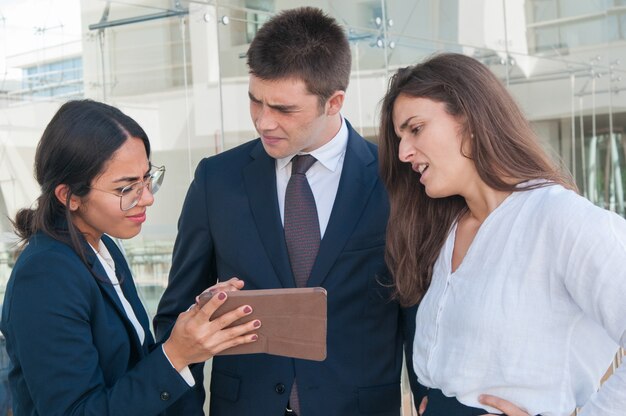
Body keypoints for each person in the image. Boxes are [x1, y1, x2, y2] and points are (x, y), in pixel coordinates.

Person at [154, 6, 421, 416]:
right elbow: (176, 317)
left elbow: (416, 315)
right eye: (255, 101)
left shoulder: (396, 179)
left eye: (283, 109)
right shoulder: (216, 180)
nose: (263, 122)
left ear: (334, 102)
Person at [378, 52, 626, 416]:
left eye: (415, 129)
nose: (403, 152)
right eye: (400, 137)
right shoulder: (445, 231)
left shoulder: (559, 219)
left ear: (471, 120)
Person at [0, 100, 261, 416]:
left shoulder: (103, 247)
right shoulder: (45, 276)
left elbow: (131, 367)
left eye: (146, 178)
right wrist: (175, 354)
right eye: (126, 189)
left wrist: (194, 321)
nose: (147, 198)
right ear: (68, 196)